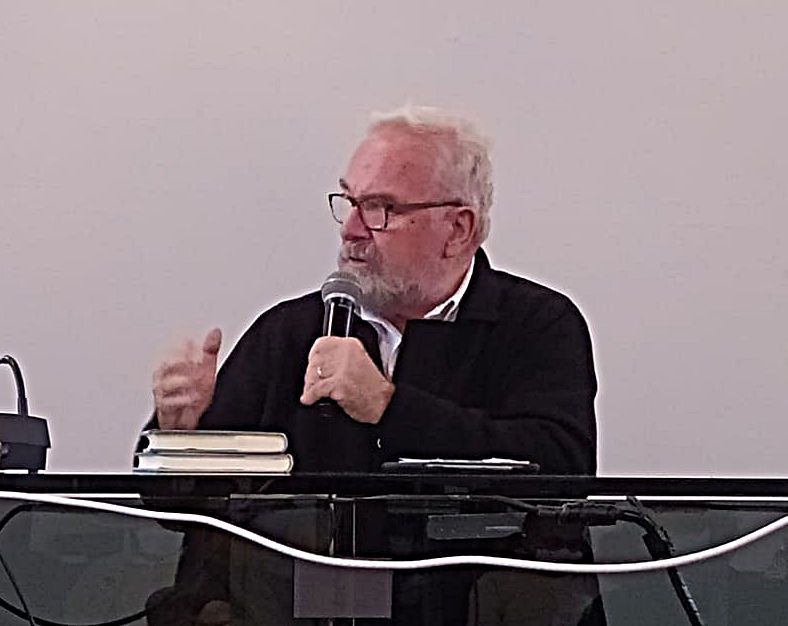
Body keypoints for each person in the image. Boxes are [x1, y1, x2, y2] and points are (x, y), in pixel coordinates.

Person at [148, 105, 598, 475]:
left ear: (458, 229)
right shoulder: (290, 330)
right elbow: (189, 511)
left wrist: (387, 405)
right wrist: (179, 436)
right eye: (349, 202)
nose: (351, 229)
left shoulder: (538, 324)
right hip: (298, 564)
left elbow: (563, 466)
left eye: (381, 208)